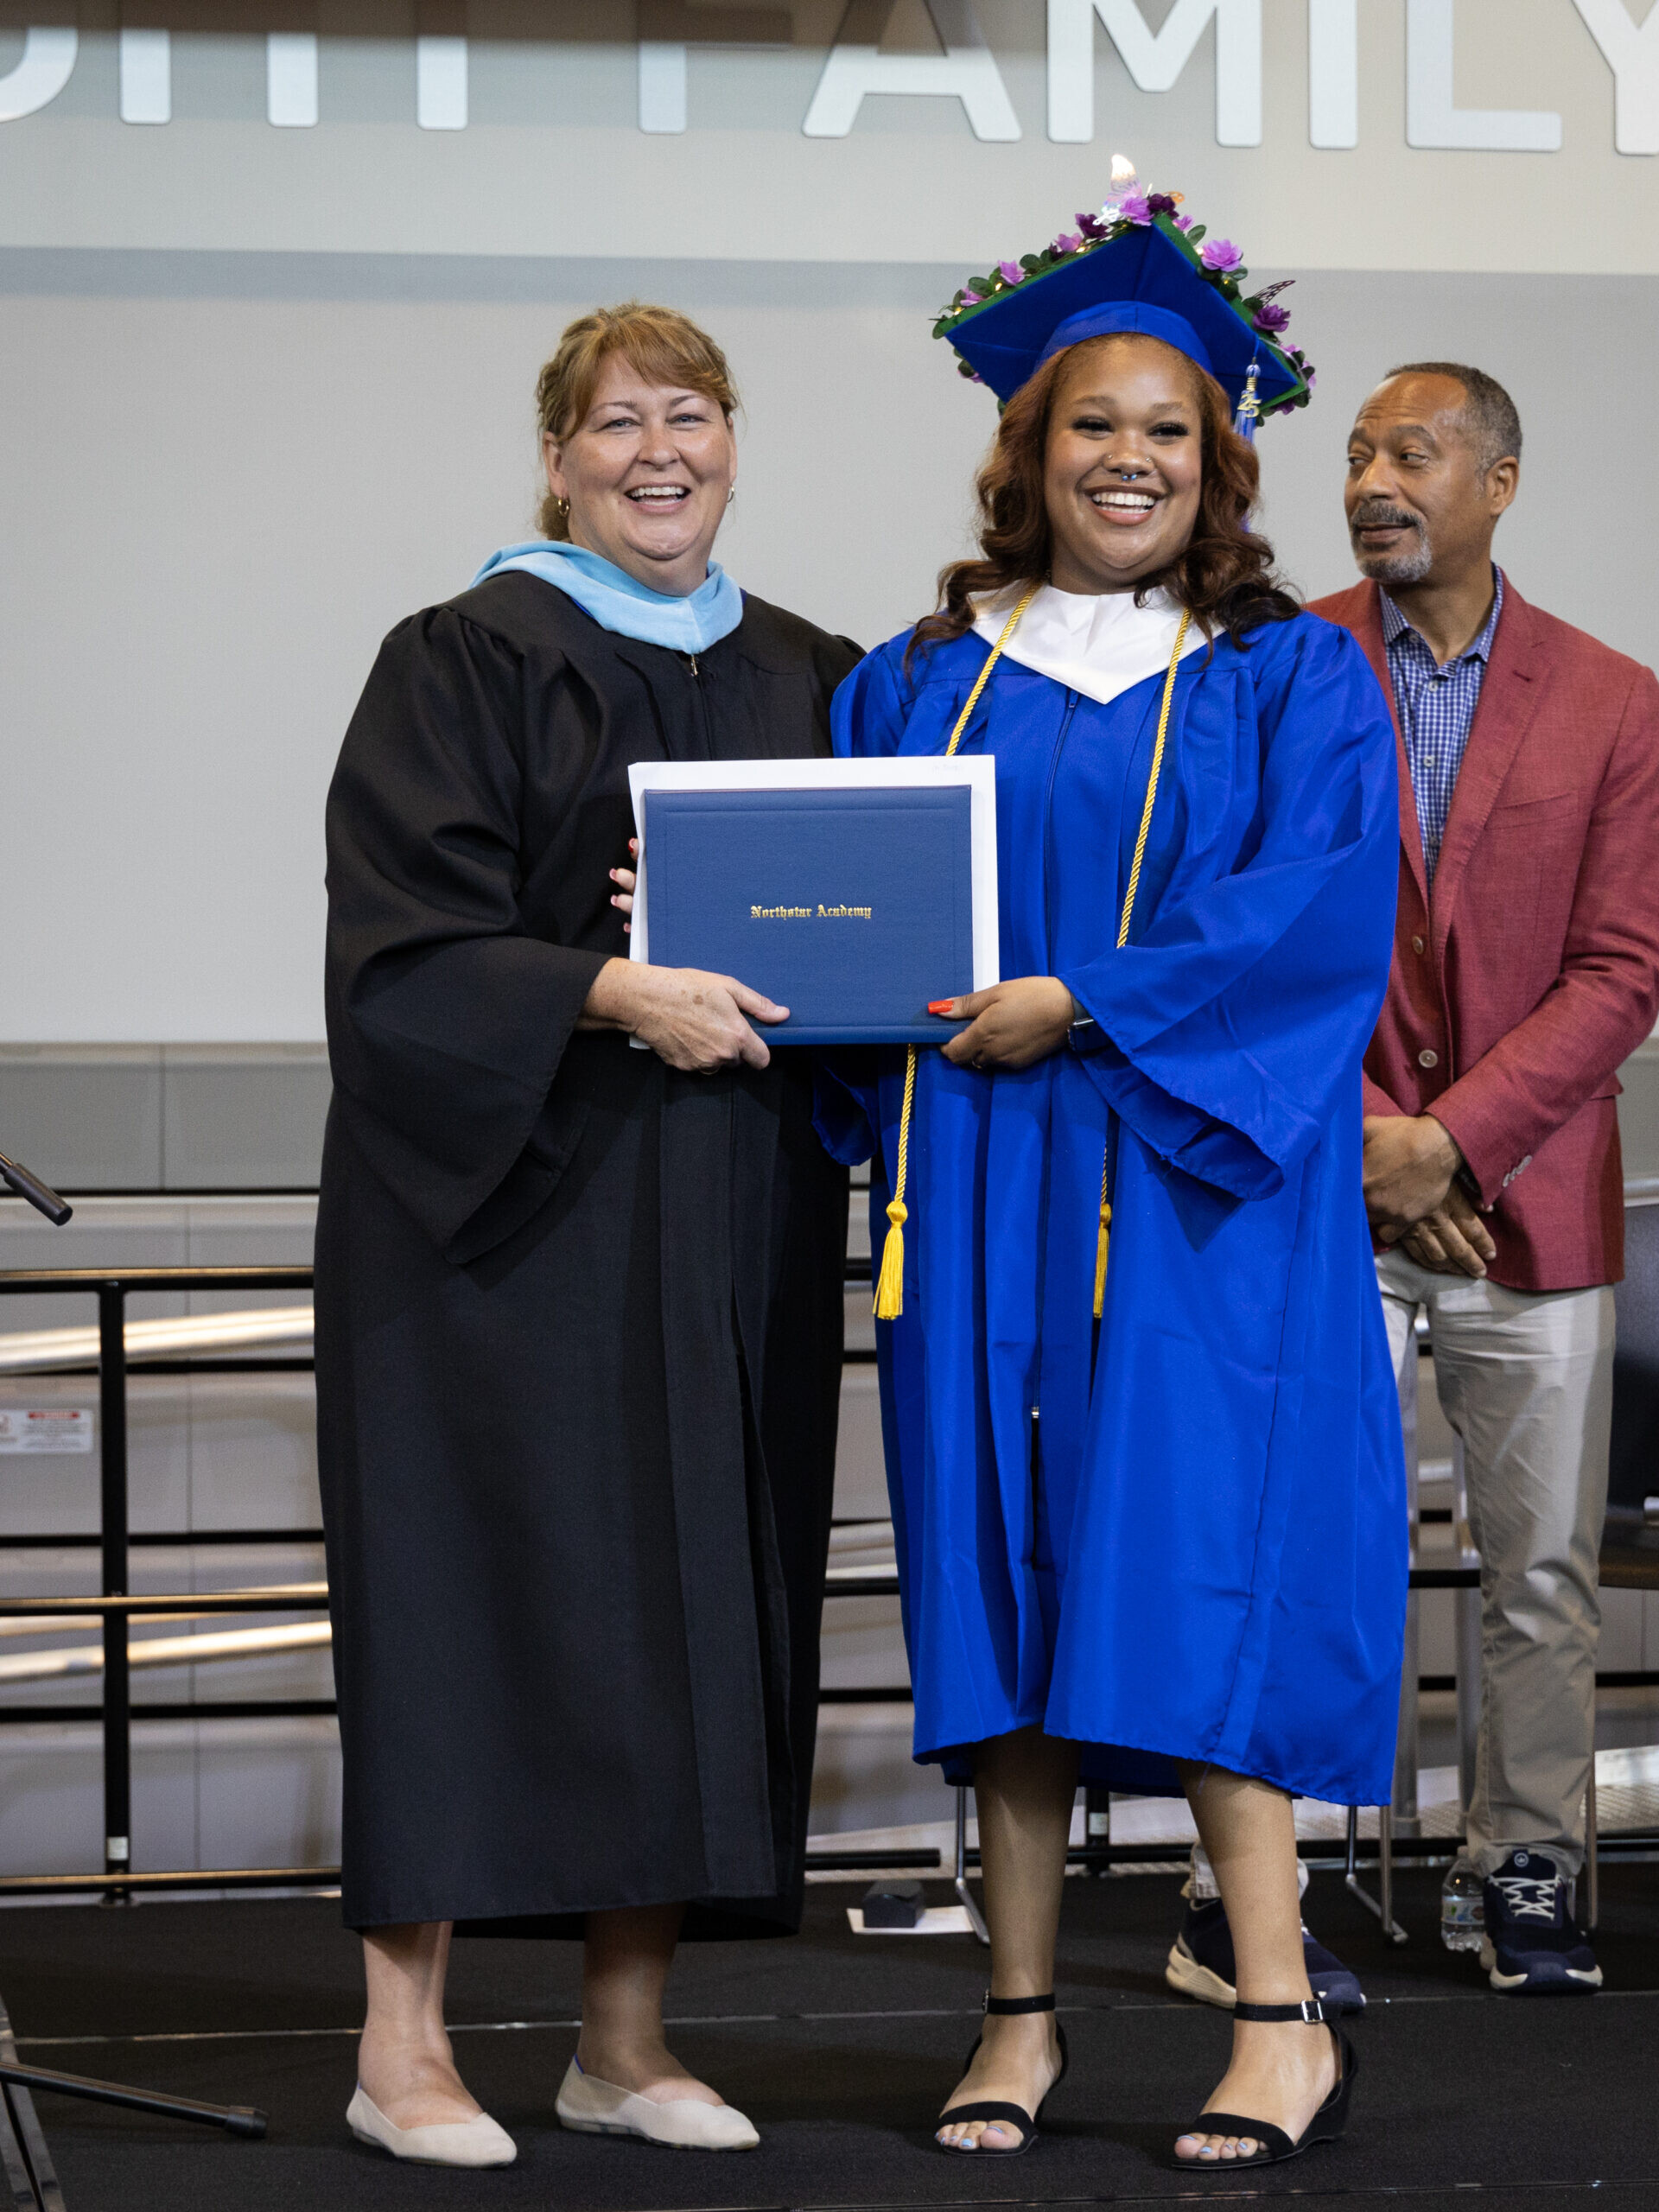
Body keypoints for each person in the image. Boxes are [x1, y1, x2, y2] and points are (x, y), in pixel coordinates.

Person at [817, 187, 1405, 2169]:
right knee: (1002, 1571)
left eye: (1167, 427)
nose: (1128, 456)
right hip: (977, 1179)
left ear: (1218, 456)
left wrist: (1083, 997)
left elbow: (1313, 919)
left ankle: (1275, 2011)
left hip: (1195, 1194)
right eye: (1092, 424)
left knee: (1197, 1562)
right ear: (1028, 449)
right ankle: (1019, 2015)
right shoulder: (921, 676)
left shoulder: (1285, 677)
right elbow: (846, 938)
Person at [315, 302, 857, 2166]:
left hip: (728, 1214)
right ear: (553, 454)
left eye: (688, 415)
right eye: (614, 421)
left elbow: (866, 931)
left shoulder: (807, 666)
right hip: (499, 1221)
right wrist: (611, 982)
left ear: (732, 439)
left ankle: (623, 2039)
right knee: (466, 1604)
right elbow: (398, 953)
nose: (657, 450)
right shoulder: (461, 656)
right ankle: (405, 2051)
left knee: (702, 1604)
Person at [1315, 362, 1659, 1993]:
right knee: (1309, 1537)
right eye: (1361, 453)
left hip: (1532, 1201)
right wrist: (1376, 1143)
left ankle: (1524, 1866)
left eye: (1416, 453)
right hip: (1324, 1191)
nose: (1377, 479)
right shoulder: (1274, 663)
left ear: (1502, 480)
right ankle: (1272, 1885)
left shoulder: (1615, 698)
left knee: (1539, 1570)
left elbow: (1622, 971)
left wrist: (1453, 1140)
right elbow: (1248, 940)